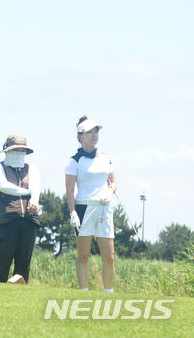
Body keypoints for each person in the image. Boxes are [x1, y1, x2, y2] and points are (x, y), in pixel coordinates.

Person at [65, 115, 116, 292]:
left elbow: (113, 182)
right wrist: (72, 212)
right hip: (83, 208)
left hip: (104, 207)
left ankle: (108, 293)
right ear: (80, 136)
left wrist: (109, 193)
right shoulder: (74, 161)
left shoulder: (105, 158)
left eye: (96, 131)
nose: (94, 135)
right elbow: (70, 190)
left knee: (109, 256)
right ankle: (84, 293)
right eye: (89, 132)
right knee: (84, 256)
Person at [0, 134, 40, 284]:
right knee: (4, 261)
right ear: (7, 151)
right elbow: (3, 185)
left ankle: (20, 296)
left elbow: (36, 188)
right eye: (15, 149)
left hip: (29, 221)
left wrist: (34, 201)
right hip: (7, 220)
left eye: (22, 150)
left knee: (23, 263)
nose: (19, 153)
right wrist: (27, 192)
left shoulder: (32, 169)